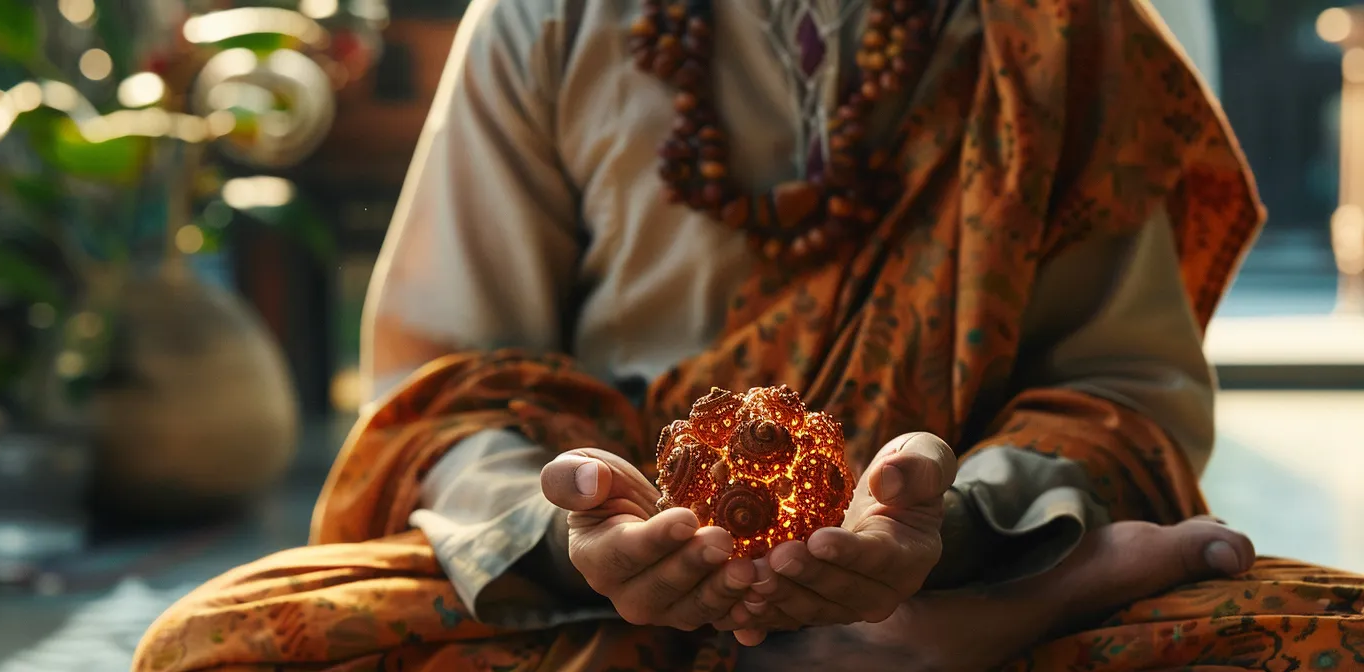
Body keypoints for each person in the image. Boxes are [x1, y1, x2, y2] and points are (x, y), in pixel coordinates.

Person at [135, 0, 1364, 669]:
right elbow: (447, 391)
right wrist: (582, 536)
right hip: (607, 600)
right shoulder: (546, 21)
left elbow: (1117, 393)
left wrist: (952, 540)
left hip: (969, 566)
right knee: (211, 649)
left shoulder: (1066, 34)